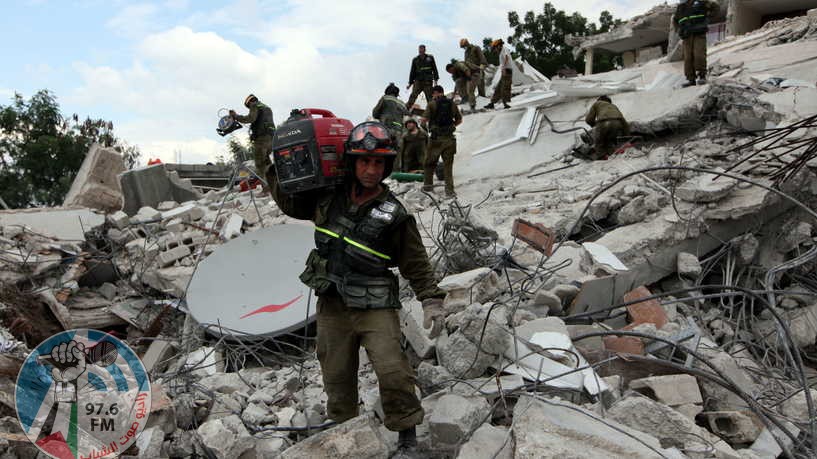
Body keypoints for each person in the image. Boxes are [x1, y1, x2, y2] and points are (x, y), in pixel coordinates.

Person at [267, 121, 446, 456]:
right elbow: (290, 204)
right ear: (352, 162)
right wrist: (272, 164)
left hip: (375, 303)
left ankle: (406, 434)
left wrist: (432, 300)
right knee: (336, 375)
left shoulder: (395, 214)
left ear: (387, 166)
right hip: (332, 304)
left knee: (393, 369)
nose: (370, 169)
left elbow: (415, 262)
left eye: (378, 163)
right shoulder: (328, 196)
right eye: (364, 162)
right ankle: (346, 430)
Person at [422, 85, 462, 197]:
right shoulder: (452, 104)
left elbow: (424, 120)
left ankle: (428, 188)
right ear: (442, 92)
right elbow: (459, 120)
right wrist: (451, 126)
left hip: (435, 139)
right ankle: (449, 191)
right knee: (448, 167)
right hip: (449, 139)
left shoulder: (431, 104)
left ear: (435, 93)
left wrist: (426, 129)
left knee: (429, 164)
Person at [230, 94, 275, 180]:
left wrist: (236, 116)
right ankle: (274, 184)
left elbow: (251, 118)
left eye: (248, 106)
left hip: (262, 139)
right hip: (271, 138)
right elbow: (262, 122)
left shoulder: (254, 105)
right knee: (266, 162)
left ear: (250, 102)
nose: (249, 108)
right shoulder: (267, 107)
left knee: (259, 164)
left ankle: (266, 187)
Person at [675, 0, 719, 87]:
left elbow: (716, 8)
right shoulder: (681, 7)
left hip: (699, 33)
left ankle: (702, 76)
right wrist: (679, 30)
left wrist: (708, 17)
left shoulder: (700, 2)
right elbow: (675, 20)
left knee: (699, 54)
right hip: (687, 36)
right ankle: (691, 79)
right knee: (688, 58)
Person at [583, 95, 629, 160]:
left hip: (603, 122)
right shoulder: (614, 106)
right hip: (617, 123)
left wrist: (594, 125)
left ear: (600, 100)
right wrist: (627, 135)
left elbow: (588, 120)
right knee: (609, 141)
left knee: (599, 143)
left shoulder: (597, 103)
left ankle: (603, 158)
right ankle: (612, 155)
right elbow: (624, 122)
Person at [372, 83, 408, 163]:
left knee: (382, 151)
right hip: (399, 131)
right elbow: (407, 116)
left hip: (385, 129)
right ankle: (395, 172)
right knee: (396, 154)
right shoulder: (402, 103)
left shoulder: (385, 98)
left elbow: (375, 113)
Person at [406, 44, 439, 112]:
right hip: (418, 80)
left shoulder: (430, 58)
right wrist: (410, 83)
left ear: (425, 50)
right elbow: (412, 72)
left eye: (422, 49)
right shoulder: (415, 60)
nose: (421, 50)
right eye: (420, 49)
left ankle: (433, 110)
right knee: (413, 95)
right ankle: (407, 109)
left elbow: (434, 69)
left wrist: (436, 79)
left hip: (428, 81)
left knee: (430, 97)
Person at [484, 39, 513, 110]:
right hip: (505, 70)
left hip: (507, 70)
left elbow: (506, 58)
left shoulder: (504, 49)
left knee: (504, 87)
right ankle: (492, 103)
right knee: (499, 88)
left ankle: (505, 104)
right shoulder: (501, 52)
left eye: (495, 48)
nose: (495, 50)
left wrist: (503, 68)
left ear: (499, 46)